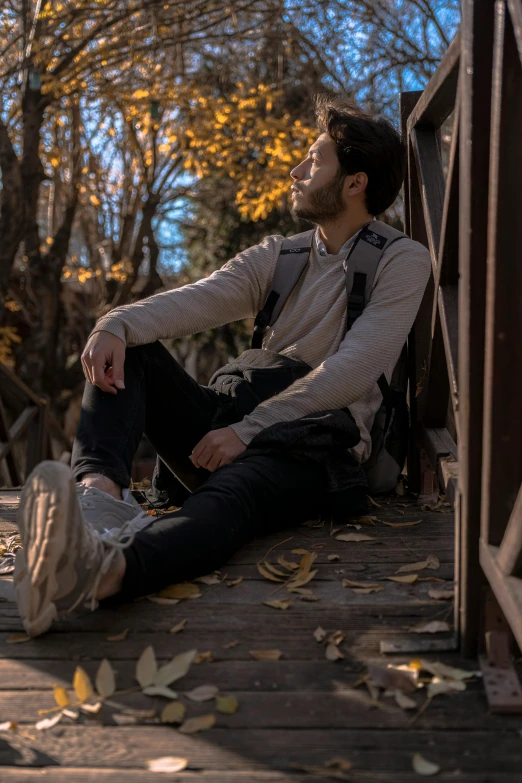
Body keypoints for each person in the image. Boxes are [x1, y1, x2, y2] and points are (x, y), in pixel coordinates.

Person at [14, 96, 431, 637]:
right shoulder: (281, 256)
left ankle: (100, 573)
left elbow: (354, 368)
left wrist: (250, 430)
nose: (296, 171)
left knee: (235, 497)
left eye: (313, 160)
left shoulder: (403, 260)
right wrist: (114, 323)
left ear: (355, 182)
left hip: (313, 442)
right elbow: (200, 299)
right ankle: (95, 510)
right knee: (134, 346)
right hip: (233, 420)